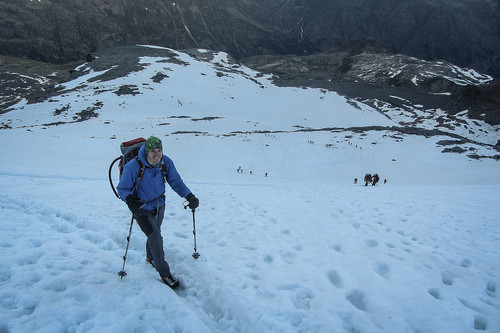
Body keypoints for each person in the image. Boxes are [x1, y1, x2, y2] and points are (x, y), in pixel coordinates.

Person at [117, 136, 199, 289]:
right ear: (146, 151)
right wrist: (130, 201)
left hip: (159, 204)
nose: (157, 154)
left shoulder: (165, 162)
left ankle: (150, 257)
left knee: (155, 231)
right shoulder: (134, 166)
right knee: (155, 236)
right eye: (153, 151)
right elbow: (122, 188)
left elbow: (175, 181)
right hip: (140, 208)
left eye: (159, 150)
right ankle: (165, 273)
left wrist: (189, 195)